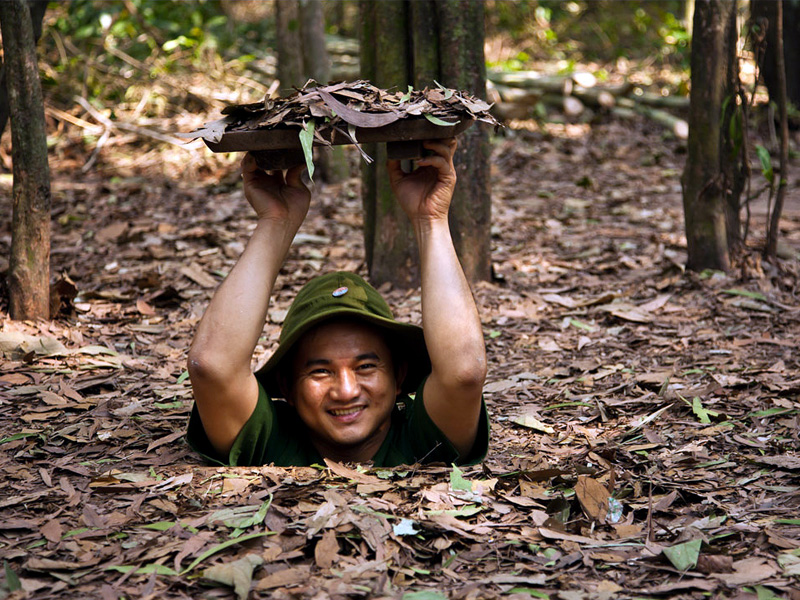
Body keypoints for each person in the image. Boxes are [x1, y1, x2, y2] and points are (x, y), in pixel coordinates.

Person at [186, 138, 489, 466]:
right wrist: (275, 221)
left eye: (366, 367)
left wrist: (431, 220)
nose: (346, 391)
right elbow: (213, 367)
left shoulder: (420, 439)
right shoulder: (272, 440)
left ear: (400, 375)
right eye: (319, 371)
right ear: (287, 386)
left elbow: (464, 372)